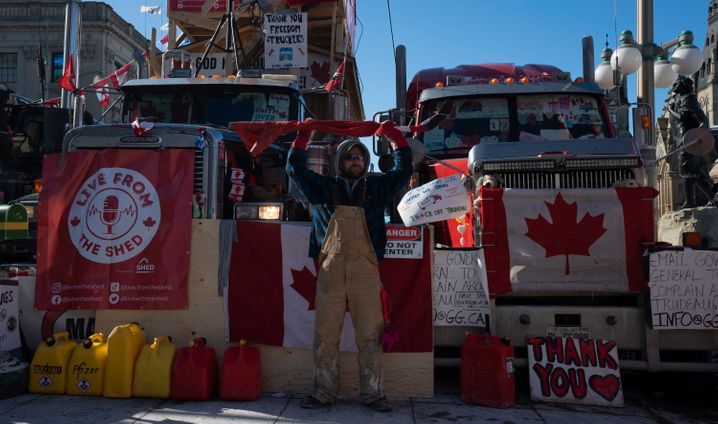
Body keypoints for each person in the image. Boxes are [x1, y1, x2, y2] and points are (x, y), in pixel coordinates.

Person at [286, 121, 412, 413]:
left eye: (359, 157)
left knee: (370, 334)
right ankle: (322, 392)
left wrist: (396, 140)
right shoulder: (322, 187)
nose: (355, 161)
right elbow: (295, 170)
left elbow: (403, 170)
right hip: (330, 271)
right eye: (349, 157)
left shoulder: (377, 188)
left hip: (366, 272)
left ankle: (373, 394)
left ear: (366, 163)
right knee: (325, 334)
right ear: (339, 162)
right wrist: (303, 137)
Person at [667, 76, 717, 209]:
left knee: (688, 172)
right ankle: (707, 198)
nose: (674, 85)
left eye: (677, 83)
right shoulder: (680, 99)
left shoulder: (688, 99)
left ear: (683, 85)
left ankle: (694, 200)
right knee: (689, 173)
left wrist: (670, 109)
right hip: (681, 140)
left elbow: (686, 117)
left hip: (688, 140)